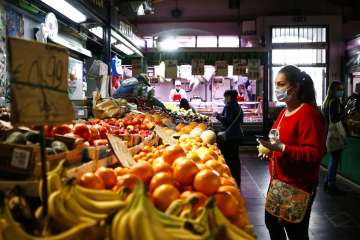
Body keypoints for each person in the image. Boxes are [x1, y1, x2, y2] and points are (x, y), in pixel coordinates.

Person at [258, 65, 326, 240]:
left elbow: (314, 154)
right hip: (278, 184)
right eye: (276, 84)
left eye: (281, 84)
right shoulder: (283, 112)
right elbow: (276, 139)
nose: (277, 89)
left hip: (297, 186)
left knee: (296, 232)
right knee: (272, 224)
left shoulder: (308, 114)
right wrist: (269, 150)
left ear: (294, 87)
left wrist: (282, 148)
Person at [215, 89, 244, 186]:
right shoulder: (238, 107)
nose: (224, 99)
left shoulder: (229, 106)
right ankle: (237, 181)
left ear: (229, 97)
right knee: (235, 159)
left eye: (225, 97)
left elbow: (227, 121)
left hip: (228, 137)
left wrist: (217, 116)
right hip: (237, 136)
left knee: (228, 159)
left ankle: (229, 181)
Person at [322, 81, 346, 194]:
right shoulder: (334, 102)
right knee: (335, 159)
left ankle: (327, 182)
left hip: (328, 134)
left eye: (342, 89)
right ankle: (331, 184)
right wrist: (344, 113)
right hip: (334, 134)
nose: (341, 91)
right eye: (339, 89)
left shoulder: (326, 102)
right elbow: (335, 119)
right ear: (334, 90)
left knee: (333, 158)